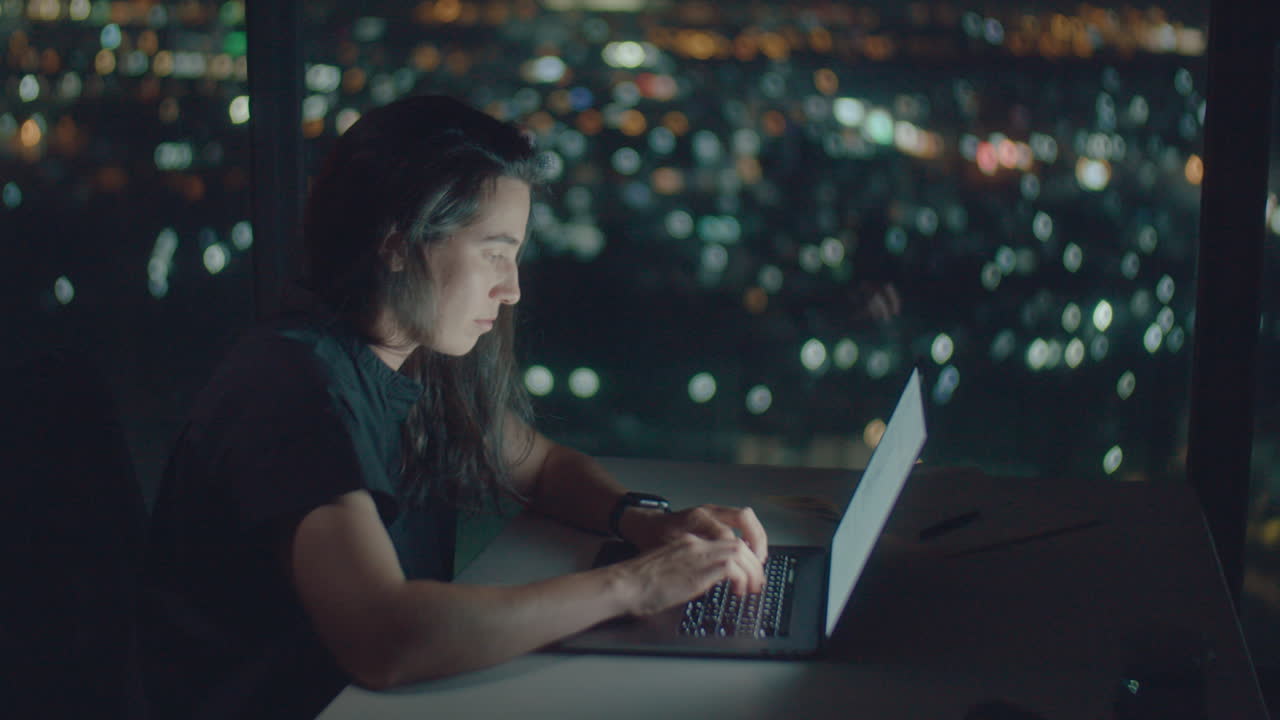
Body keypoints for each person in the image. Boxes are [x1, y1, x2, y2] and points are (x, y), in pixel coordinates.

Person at [137, 94, 768, 719]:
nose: (512, 288)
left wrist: (642, 522)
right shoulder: (292, 389)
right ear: (396, 242)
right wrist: (635, 584)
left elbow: (541, 466)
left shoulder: (409, 355)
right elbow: (382, 639)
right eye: (494, 252)